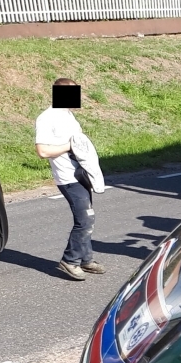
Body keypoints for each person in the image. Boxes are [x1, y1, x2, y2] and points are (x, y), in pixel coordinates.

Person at [35, 77, 105, 281]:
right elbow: (42, 151)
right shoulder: (47, 118)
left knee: (88, 217)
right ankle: (70, 259)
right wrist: (70, 146)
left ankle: (86, 259)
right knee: (85, 219)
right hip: (68, 176)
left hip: (81, 173)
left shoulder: (68, 116)